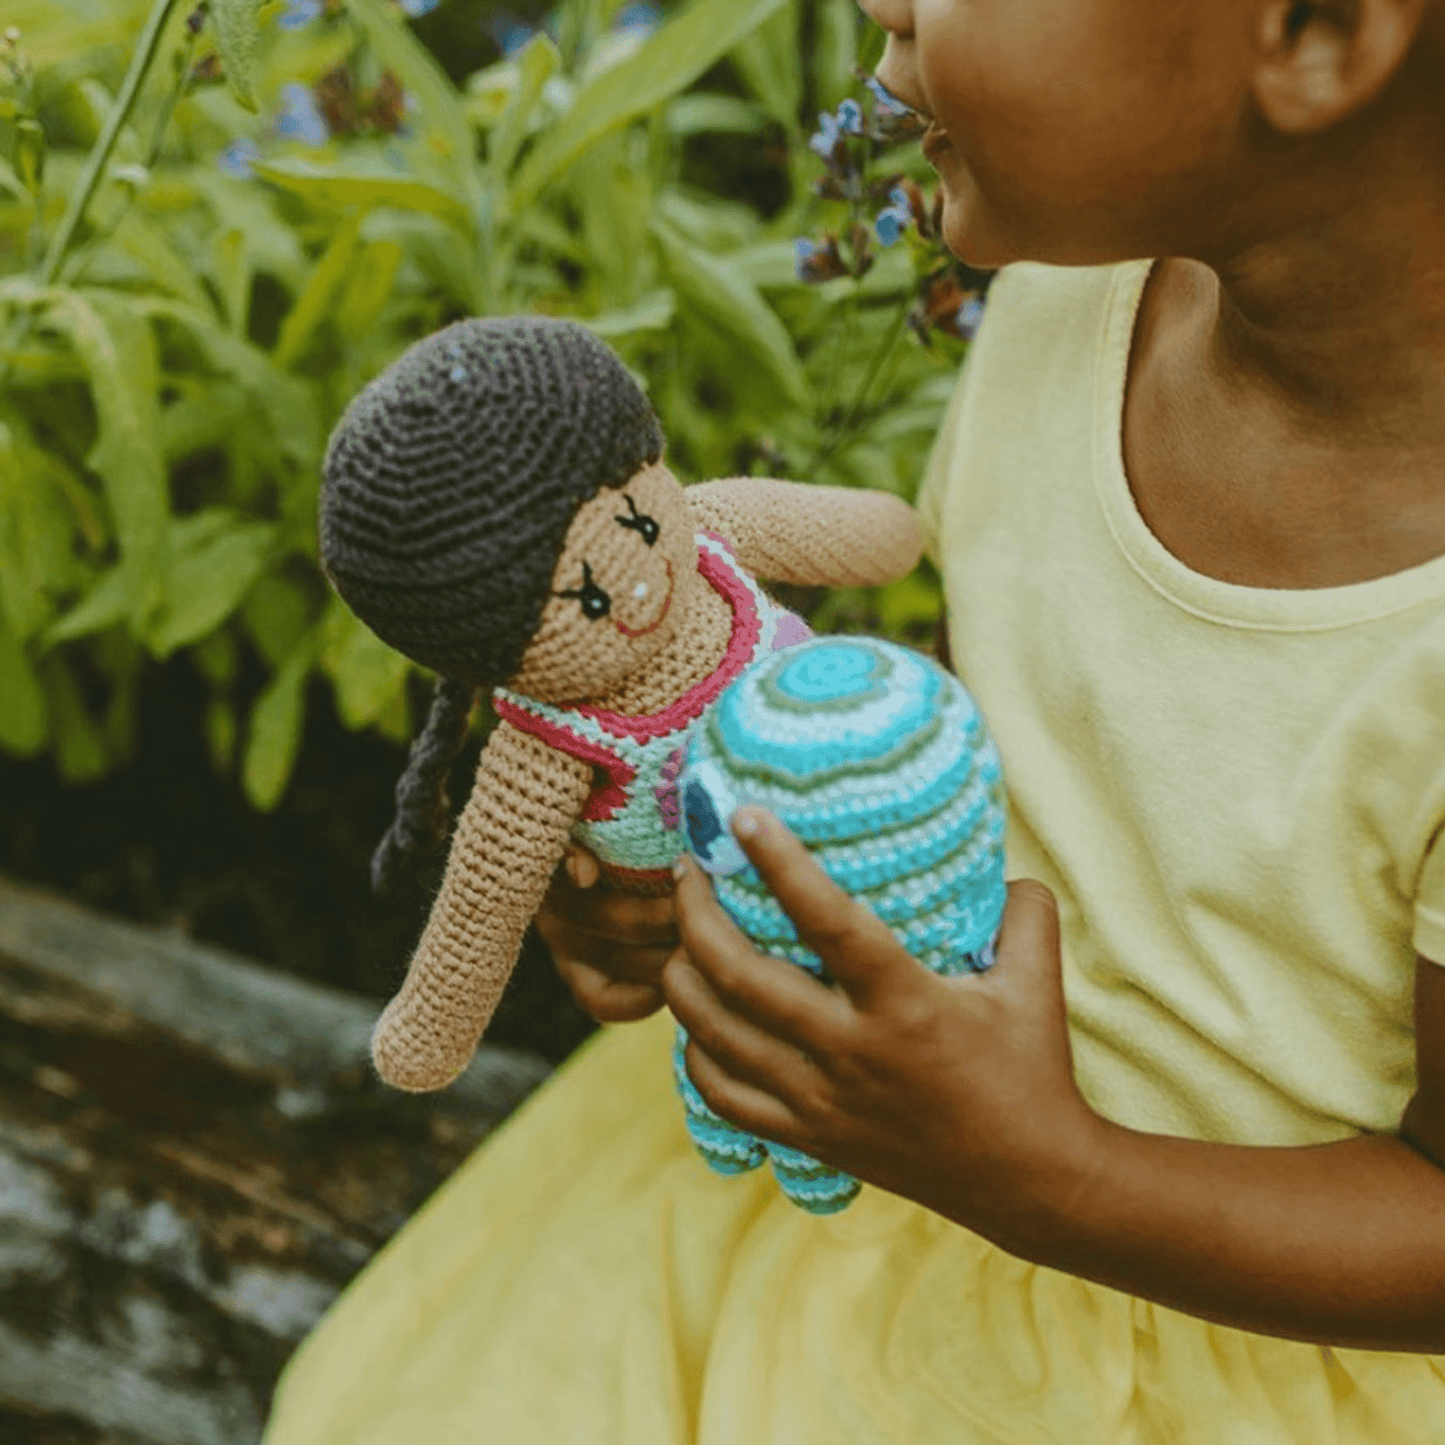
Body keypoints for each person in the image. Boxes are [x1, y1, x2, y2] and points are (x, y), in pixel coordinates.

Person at [264, 0, 1445, 1439]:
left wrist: (1044, 1176)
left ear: (1320, 33)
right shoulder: (1090, 289)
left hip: (1217, 1325)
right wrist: (728, 867)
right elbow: (975, 730)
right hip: (884, 1138)